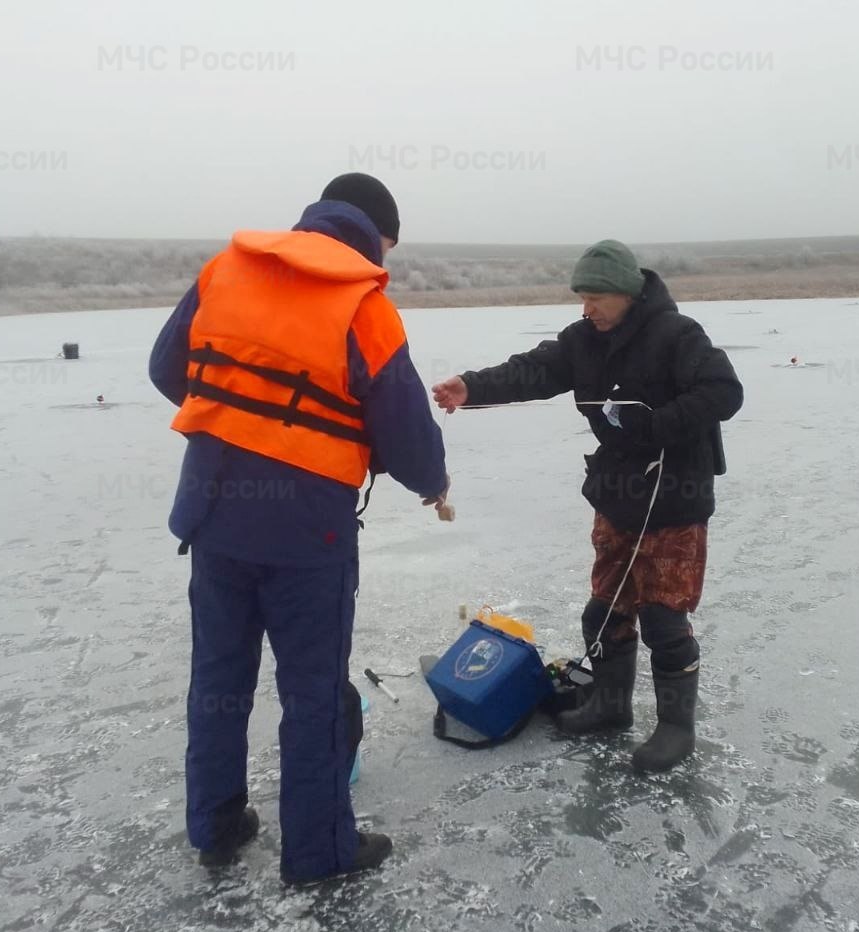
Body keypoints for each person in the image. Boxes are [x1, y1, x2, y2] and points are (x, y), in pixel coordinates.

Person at [150, 173, 451, 881]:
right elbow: (405, 434)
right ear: (375, 236)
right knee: (311, 694)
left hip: (216, 513)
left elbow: (168, 367)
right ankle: (320, 853)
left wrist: (238, 417)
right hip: (306, 538)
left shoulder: (227, 270)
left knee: (217, 681)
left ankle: (215, 822)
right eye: (387, 248)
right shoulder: (365, 305)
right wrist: (433, 483)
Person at [432, 240, 742, 773]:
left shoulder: (677, 336)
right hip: (617, 495)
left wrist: (657, 425)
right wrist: (472, 387)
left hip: (674, 501)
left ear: (626, 294)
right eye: (582, 297)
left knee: (664, 621)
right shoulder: (583, 342)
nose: (586, 308)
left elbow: (724, 392)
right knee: (604, 611)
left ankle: (675, 729)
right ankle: (610, 705)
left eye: (596, 298)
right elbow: (533, 371)